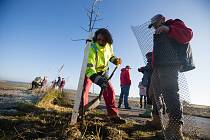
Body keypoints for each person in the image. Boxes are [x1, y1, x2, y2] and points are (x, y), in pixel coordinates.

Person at [148, 14, 193, 139]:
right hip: (157, 67)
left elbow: (188, 35)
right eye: (153, 26)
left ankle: (175, 128)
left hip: (170, 64)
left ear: (162, 19)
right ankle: (157, 120)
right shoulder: (158, 33)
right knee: (153, 93)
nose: (154, 27)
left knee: (170, 92)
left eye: (155, 24)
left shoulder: (174, 23)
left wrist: (169, 29)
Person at [82, 28, 126, 123]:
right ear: (96, 38)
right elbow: (89, 66)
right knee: (84, 89)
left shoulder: (109, 46)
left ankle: (113, 115)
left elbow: (110, 56)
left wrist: (115, 61)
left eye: (104, 40)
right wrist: (97, 79)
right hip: (91, 71)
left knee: (110, 91)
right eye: (99, 39)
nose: (101, 41)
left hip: (103, 71)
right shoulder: (91, 47)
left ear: (108, 40)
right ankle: (82, 113)